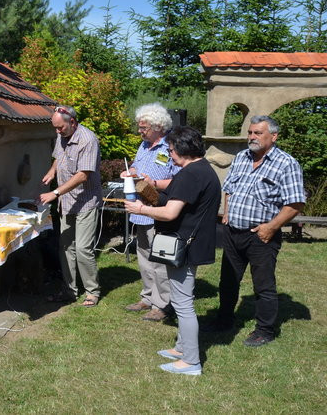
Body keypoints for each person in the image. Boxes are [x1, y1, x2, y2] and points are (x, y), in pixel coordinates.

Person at [125, 126, 220, 375]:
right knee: (180, 300)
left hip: (185, 246)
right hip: (190, 242)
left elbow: (170, 213)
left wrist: (141, 210)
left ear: (180, 148)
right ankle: (181, 347)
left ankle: (190, 361)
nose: (169, 153)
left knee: (183, 304)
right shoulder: (200, 170)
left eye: (170, 149)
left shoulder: (191, 174)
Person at [205, 115, 306, 347]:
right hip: (233, 232)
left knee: (263, 285)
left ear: (274, 136)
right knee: (228, 281)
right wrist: (227, 213)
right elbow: (229, 188)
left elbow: (295, 203)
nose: (252, 137)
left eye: (258, 133)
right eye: (250, 133)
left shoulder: (286, 163)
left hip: (262, 235)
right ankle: (224, 320)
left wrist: (270, 228)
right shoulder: (241, 157)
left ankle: (265, 330)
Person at [121, 103, 180, 322]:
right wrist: (131, 172)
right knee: (144, 256)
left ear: (157, 126)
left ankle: (162, 304)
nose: (140, 131)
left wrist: (153, 182)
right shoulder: (143, 146)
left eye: (143, 127)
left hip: (159, 208)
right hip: (140, 209)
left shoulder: (171, 147)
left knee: (160, 259)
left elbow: (179, 179)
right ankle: (147, 296)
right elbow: (137, 167)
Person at [40, 106, 103, 307]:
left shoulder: (88, 140)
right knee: (66, 247)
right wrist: (52, 172)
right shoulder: (62, 135)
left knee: (83, 248)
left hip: (85, 201)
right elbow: (60, 156)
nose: (58, 132)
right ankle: (69, 290)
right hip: (67, 202)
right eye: (55, 128)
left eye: (61, 128)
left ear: (73, 122)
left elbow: (83, 175)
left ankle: (92, 291)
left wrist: (55, 192)